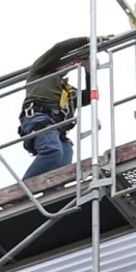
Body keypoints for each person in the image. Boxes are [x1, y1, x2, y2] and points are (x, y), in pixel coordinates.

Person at [18, 36, 96, 181]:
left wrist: (88, 70)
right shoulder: (40, 74)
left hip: (58, 128)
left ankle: (52, 195)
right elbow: (59, 48)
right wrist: (87, 40)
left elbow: (90, 97)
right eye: (67, 61)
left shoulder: (67, 91)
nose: (69, 64)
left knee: (63, 163)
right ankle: (20, 194)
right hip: (39, 117)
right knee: (52, 151)